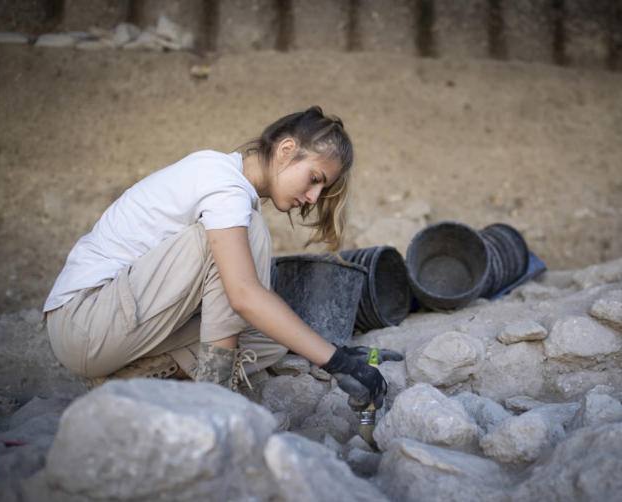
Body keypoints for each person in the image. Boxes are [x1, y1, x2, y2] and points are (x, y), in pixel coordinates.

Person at [43, 106, 397, 410]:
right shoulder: (224, 183)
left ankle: (121, 381)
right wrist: (336, 362)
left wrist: (338, 353)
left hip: (113, 331)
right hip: (84, 320)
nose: (313, 196)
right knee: (250, 243)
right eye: (315, 179)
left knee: (270, 339)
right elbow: (243, 296)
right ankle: (212, 399)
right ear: (287, 149)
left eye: (322, 189)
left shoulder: (230, 188)